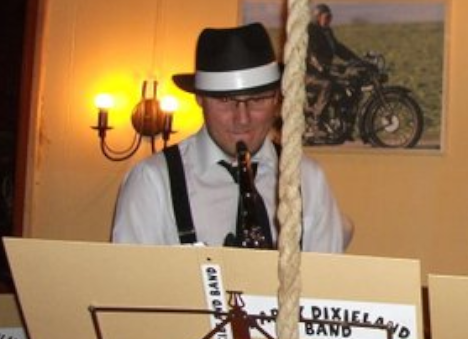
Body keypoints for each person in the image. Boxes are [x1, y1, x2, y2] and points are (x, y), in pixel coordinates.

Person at [112, 23, 347, 253]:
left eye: (257, 99)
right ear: (200, 99)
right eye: (225, 101)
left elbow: (327, 275)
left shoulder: (308, 178)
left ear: (277, 98)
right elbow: (132, 277)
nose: (242, 119)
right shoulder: (153, 180)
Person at [306, 3, 363, 127]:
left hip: (323, 71)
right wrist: (323, 66)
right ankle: (317, 119)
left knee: (347, 87)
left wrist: (356, 60)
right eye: (326, 17)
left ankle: (342, 124)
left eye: (330, 17)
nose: (329, 20)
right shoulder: (310, 31)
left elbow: (338, 48)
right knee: (327, 85)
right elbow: (311, 54)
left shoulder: (327, 31)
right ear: (317, 17)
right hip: (309, 73)